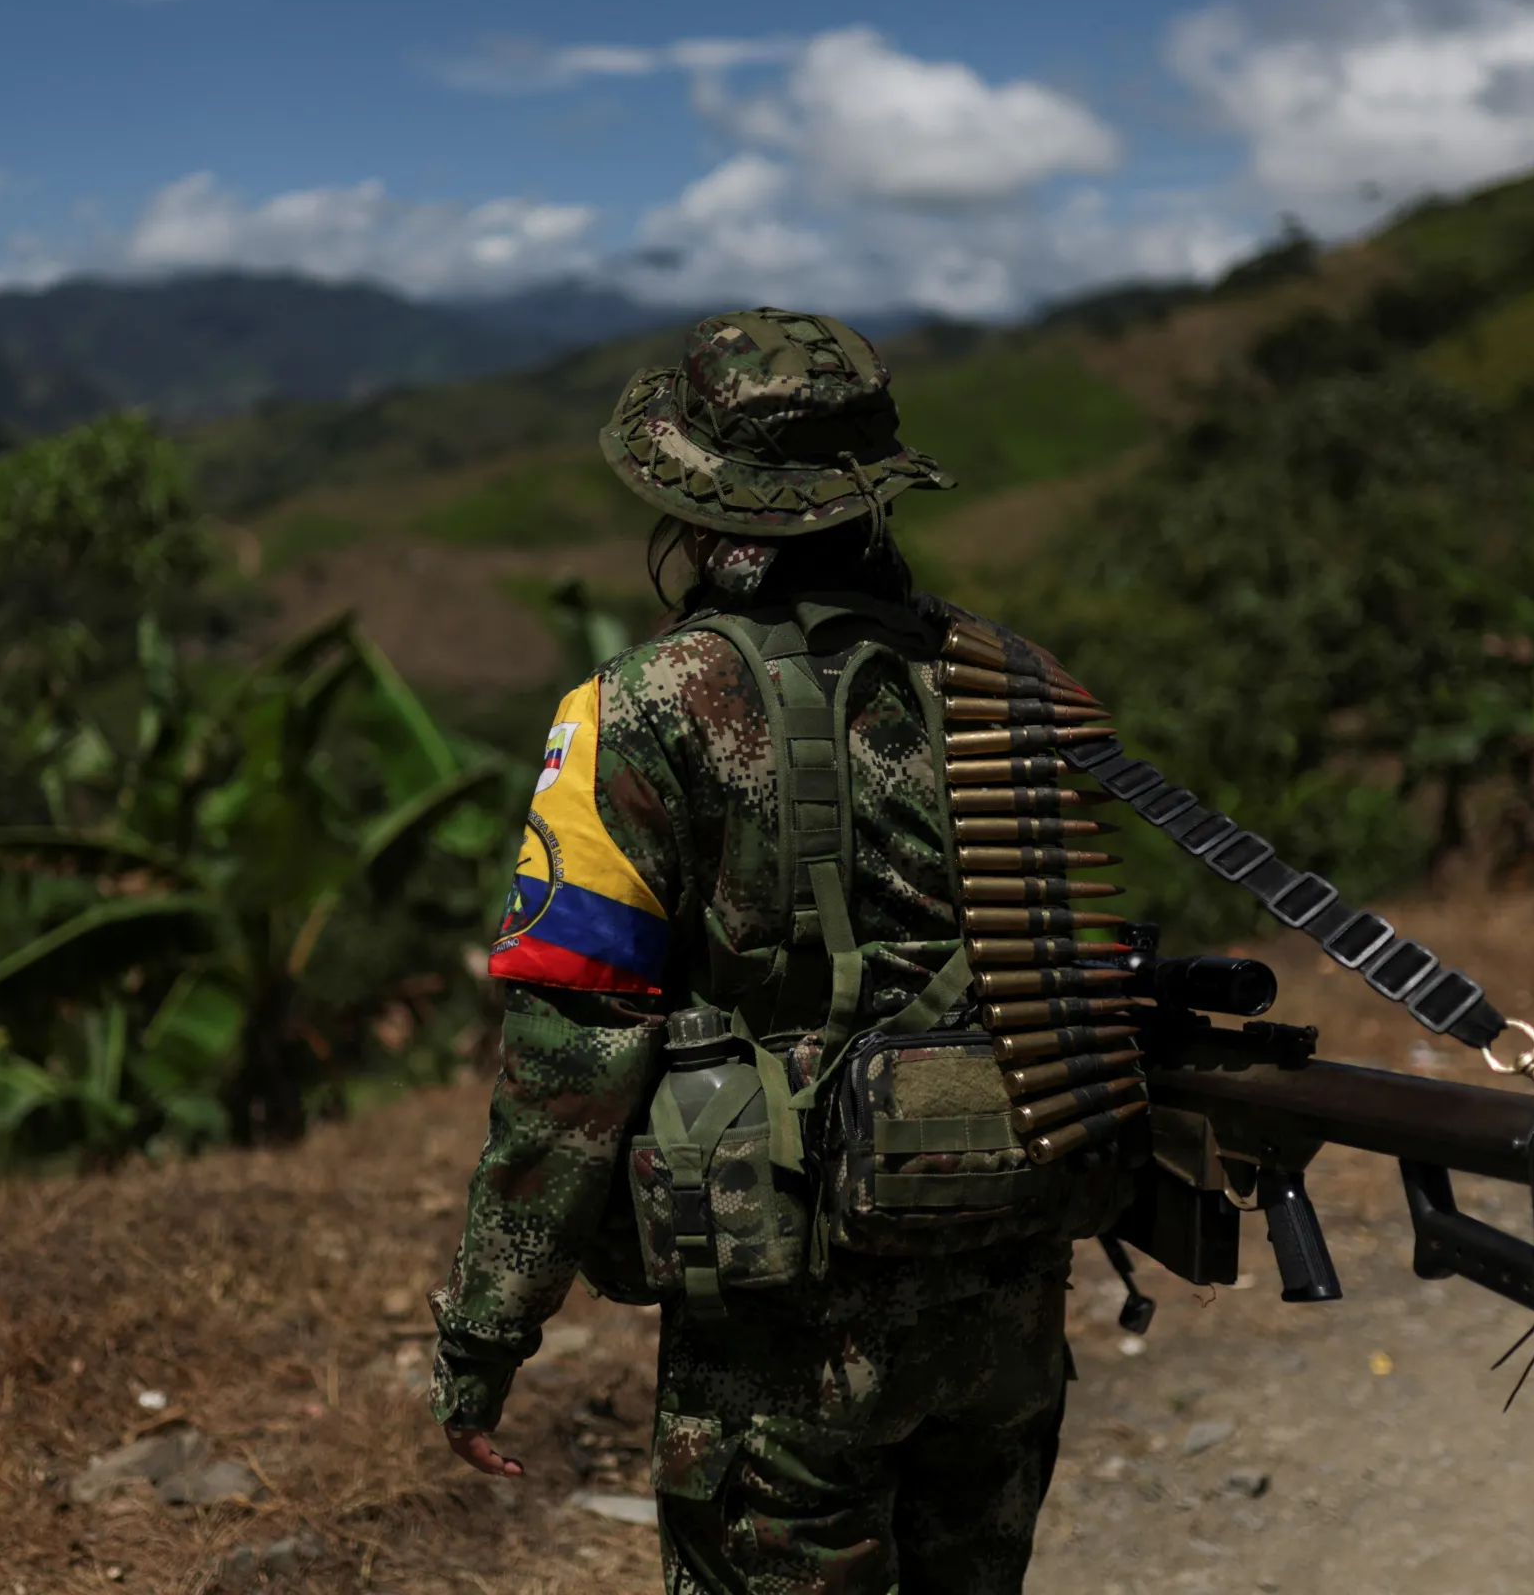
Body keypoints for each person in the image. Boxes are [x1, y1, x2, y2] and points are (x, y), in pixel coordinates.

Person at [429, 308, 1095, 1594]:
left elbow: (572, 1062)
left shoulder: (639, 710)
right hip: (1004, 1294)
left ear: (707, 512)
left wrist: (487, 1329)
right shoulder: (1011, 681)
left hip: (784, 1336)